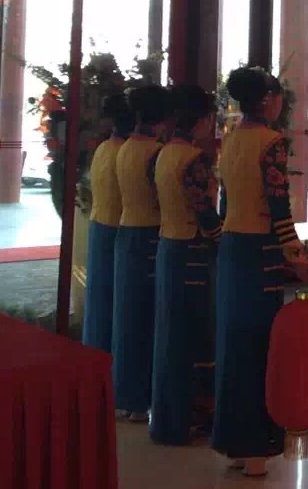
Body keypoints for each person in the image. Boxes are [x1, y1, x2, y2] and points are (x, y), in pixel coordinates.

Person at [212, 67, 308, 478]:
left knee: (233, 344)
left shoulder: (232, 139)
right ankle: (256, 447)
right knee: (260, 347)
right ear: (267, 100)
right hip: (260, 252)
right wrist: (297, 254)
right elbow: (277, 206)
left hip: (232, 247)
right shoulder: (271, 143)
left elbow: (226, 200)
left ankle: (234, 442)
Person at [150, 84, 222, 445]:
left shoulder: (163, 154)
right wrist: (223, 241)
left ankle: (167, 420)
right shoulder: (195, 160)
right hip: (192, 251)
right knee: (196, 335)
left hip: (168, 245)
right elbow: (205, 211)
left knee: (169, 334)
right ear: (202, 120)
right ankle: (192, 418)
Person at [112, 84, 172, 421]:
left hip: (126, 232)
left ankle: (125, 394)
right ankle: (142, 398)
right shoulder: (156, 152)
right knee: (149, 318)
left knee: (127, 315)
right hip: (150, 234)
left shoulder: (124, 147)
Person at [82, 93, 133, 353]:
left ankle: (93, 353)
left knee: (98, 298)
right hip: (117, 229)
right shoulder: (126, 153)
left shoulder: (103, 148)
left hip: (99, 226)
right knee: (116, 302)